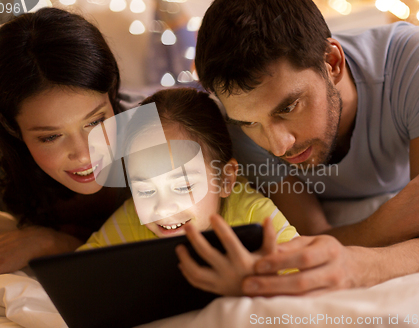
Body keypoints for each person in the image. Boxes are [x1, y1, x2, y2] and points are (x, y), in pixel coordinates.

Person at [178, 0, 419, 296]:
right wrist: (396, 218)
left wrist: (368, 265)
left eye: (288, 107)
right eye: (250, 123)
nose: (277, 147)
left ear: (332, 63)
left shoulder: (415, 59)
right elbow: (311, 236)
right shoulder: (237, 125)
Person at [0, 8, 145, 284]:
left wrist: (50, 243)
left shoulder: (158, 134)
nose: (84, 153)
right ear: (12, 128)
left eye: (96, 121)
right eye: (50, 137)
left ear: (112, 92)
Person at [77, 88, 298, 295]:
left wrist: (254, 287)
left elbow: (306, 285)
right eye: (144, 191)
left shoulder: (255, 217)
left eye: (183, 186)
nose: (162, 207)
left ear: (225, 179)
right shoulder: (134, 218)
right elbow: (79, 274)